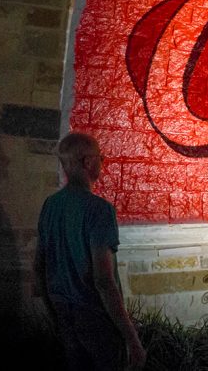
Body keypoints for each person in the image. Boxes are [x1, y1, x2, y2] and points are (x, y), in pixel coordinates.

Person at [34, 132, 146, 371]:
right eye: (100, 157)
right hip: (96, 317)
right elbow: (103, 280)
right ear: (87, 162)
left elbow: (39, 266)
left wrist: (54, 314)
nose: (103, 162)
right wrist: (131, 337)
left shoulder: (50, 206)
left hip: (64, 314)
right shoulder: (99, 210)